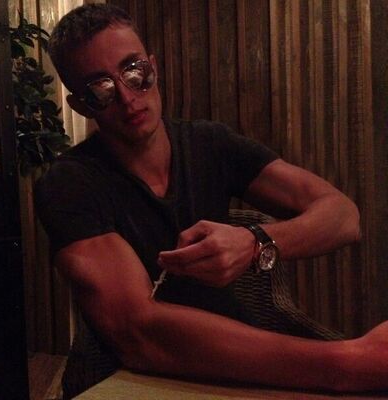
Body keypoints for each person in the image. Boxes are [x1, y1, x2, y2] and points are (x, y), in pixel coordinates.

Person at [34, 3, 388, 398]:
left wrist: (255, 243)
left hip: (234, 361)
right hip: (118, 378)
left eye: (134, 71)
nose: (128, 98)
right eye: (101, 90)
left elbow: (342, 216)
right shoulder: (69, 183)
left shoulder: (209, 144)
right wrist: (347, 362)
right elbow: (138, 334)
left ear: (154, 67)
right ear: (80, 105)